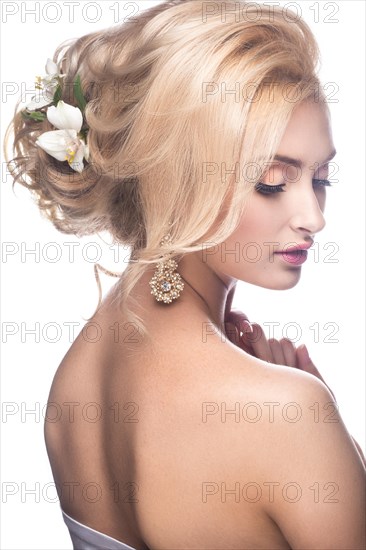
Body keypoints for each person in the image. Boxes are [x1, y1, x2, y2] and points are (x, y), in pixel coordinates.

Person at [4, 0, 365, 548]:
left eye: (321, 177)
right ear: (174, 179)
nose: (314, 217)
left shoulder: (72, 381)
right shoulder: (288, 414)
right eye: (272, 180)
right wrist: (328, 428)